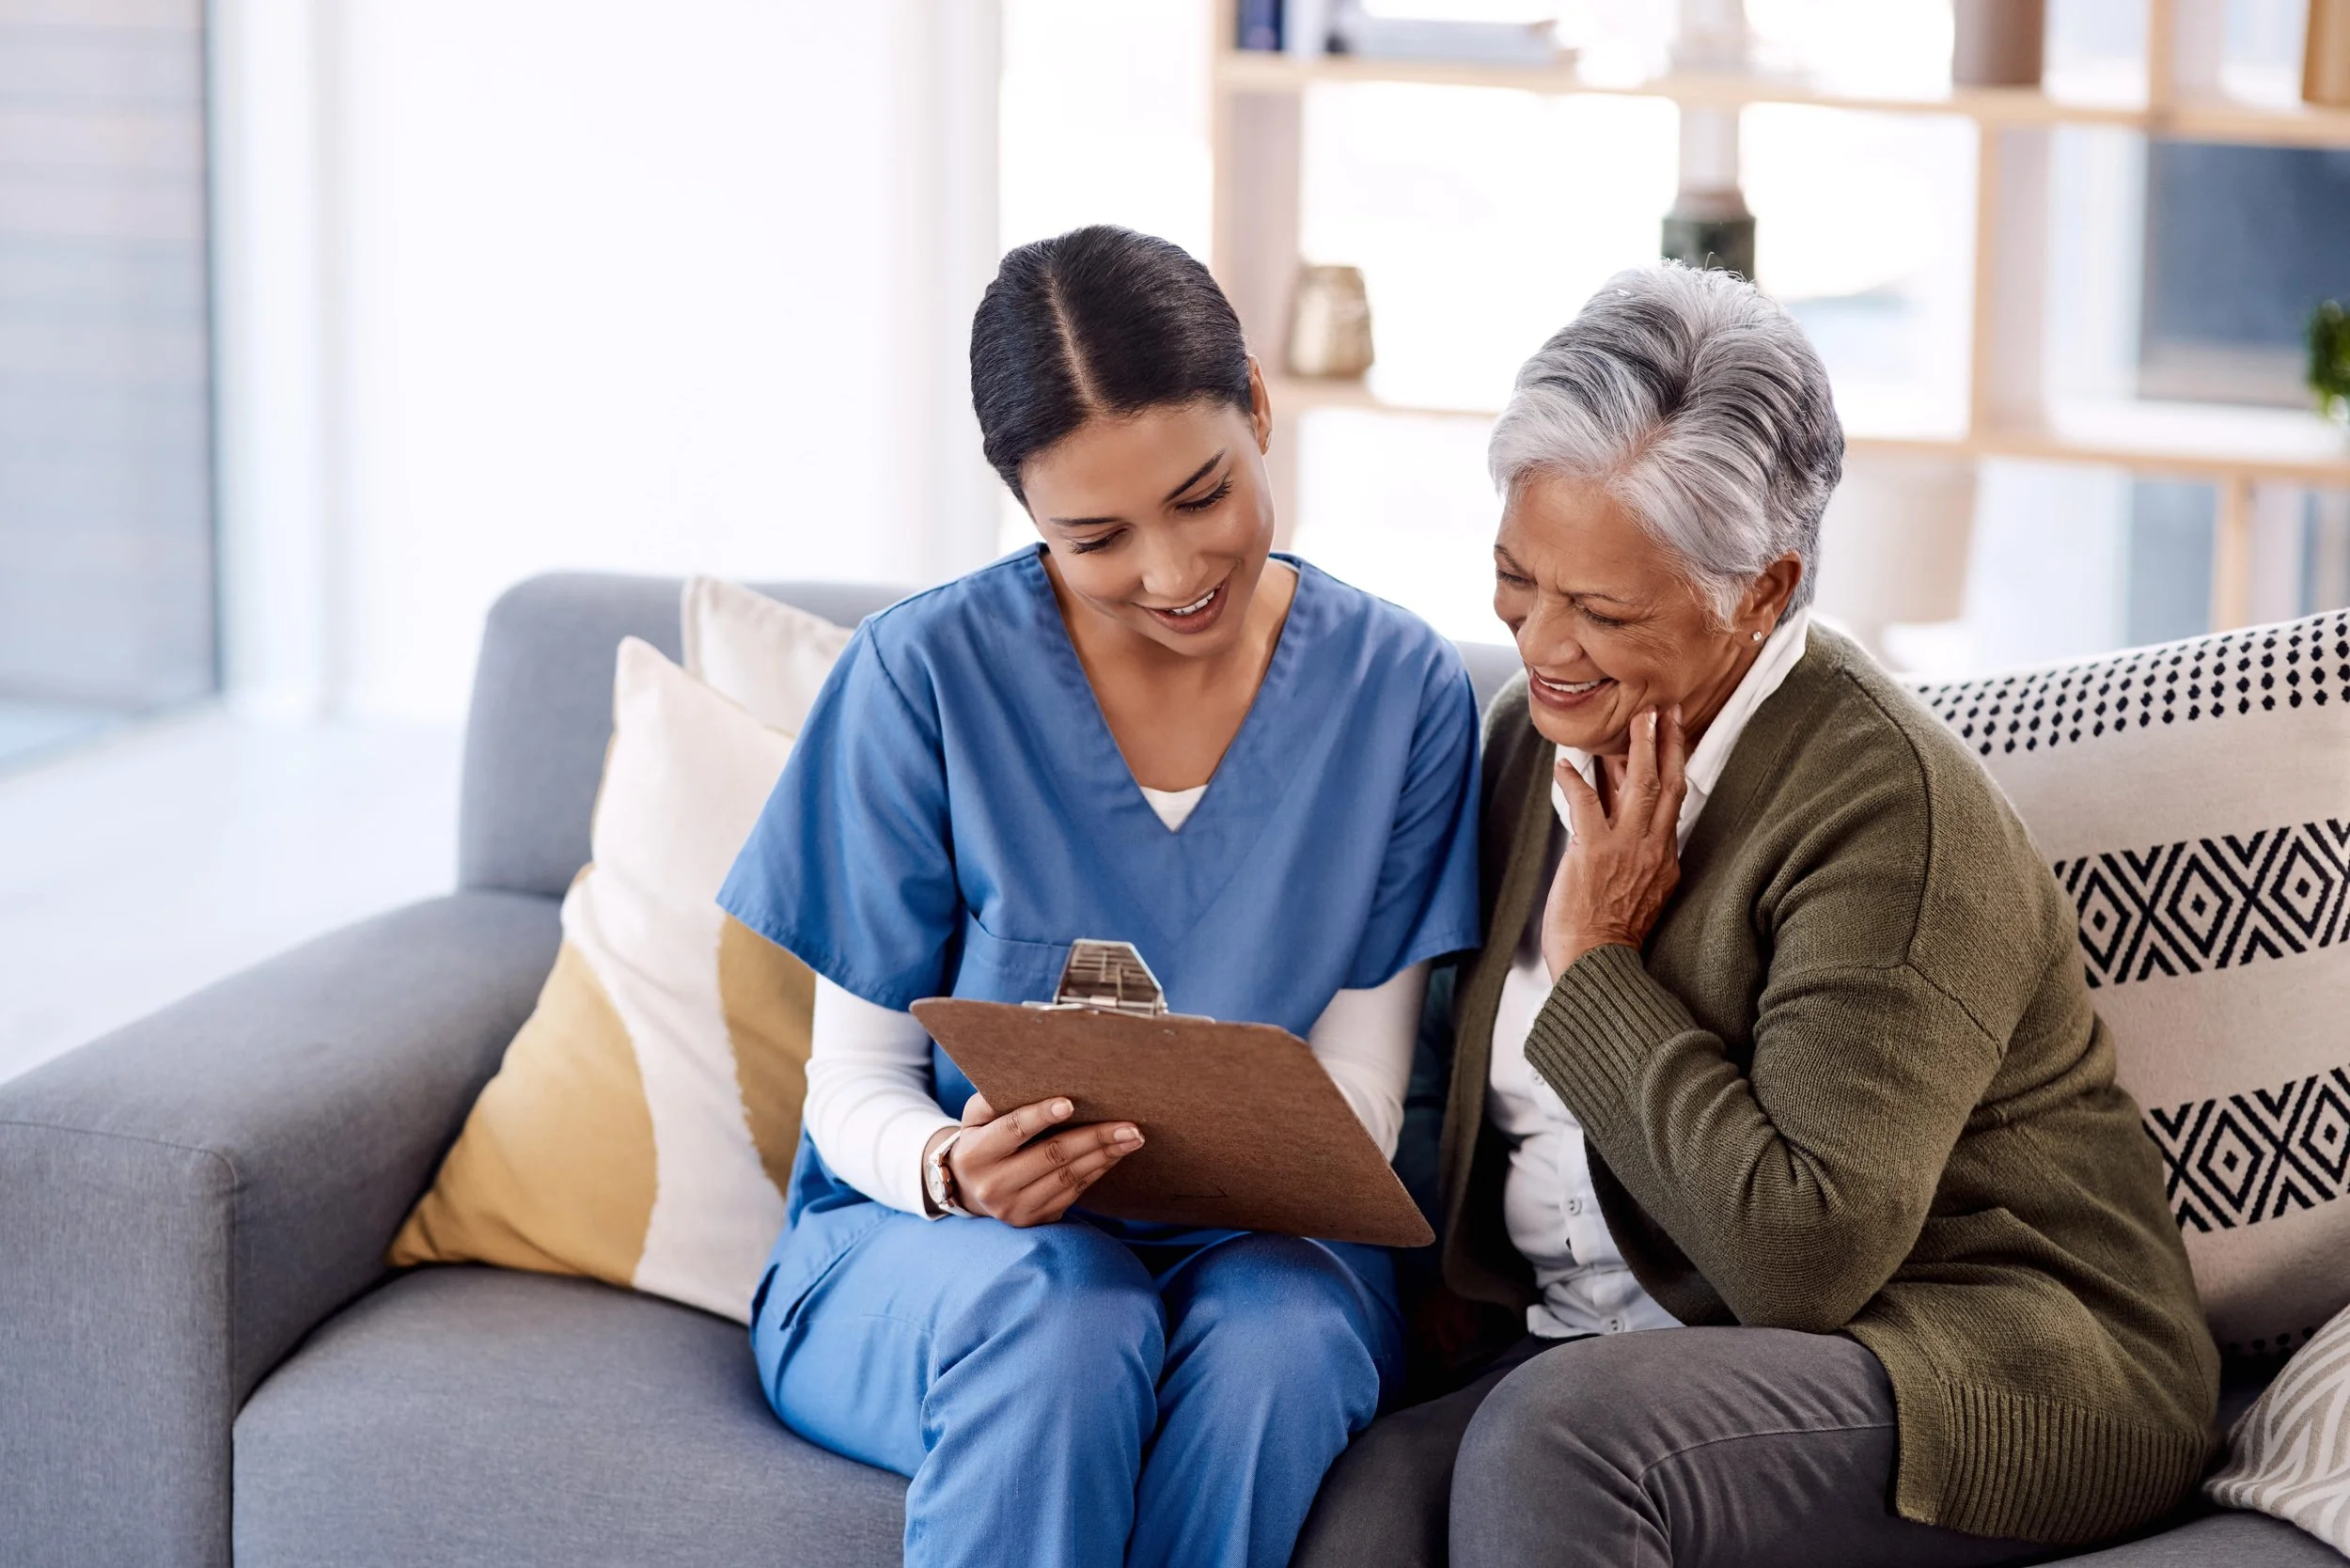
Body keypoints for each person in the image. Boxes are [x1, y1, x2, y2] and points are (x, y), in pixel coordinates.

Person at [1295, 263, 2218, 1568]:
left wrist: (1600, 962)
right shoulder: (1526, 742)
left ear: (1766, 590)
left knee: (1558, 1440)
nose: (1542, 643)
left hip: (1981, 1356)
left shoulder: (1891, 815)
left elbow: (1801, 1260)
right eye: (1517, 578)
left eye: (1603, 609)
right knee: (1367, 1500)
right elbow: (1455, 1094)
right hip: (1624, 1346)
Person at [718, 225, 1481, 1568]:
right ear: (1021, 508)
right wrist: (952, 1168)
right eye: (1096, 537)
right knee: (1066, 1310)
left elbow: (1364, 1091)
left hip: (1267, 1252)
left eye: (1203, 497)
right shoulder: (925, 679)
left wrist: (1231, 1157)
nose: (1176, 574)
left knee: (1283, 1344)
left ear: (1257, 403)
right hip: (945, 1259)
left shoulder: (1399, 692)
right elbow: (853, 1092)